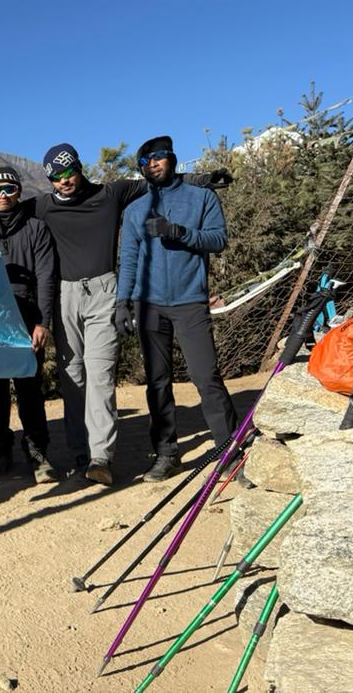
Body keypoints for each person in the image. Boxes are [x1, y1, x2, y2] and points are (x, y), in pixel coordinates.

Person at [116, 136, 236, 481]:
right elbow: (128, 260)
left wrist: (179, 232)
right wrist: (122, 302)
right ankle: (167, 454)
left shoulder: (201, 198)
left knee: (206, 376)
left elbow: (218, 239)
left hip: (189, 302)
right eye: (145, 162)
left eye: (158, 158)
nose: (153, 164)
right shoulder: (136, 209)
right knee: (157, 382)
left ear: (172, 159)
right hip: (148, 304)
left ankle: (228, 449)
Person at [0, 168, 59, 484]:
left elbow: (46, 276)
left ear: (18, 193)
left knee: (30, 386)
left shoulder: (36, 228)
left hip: (27, 315)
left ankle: (37, 451)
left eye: (9, 189)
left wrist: (43, 322)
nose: (3, 195)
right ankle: (0, 450)